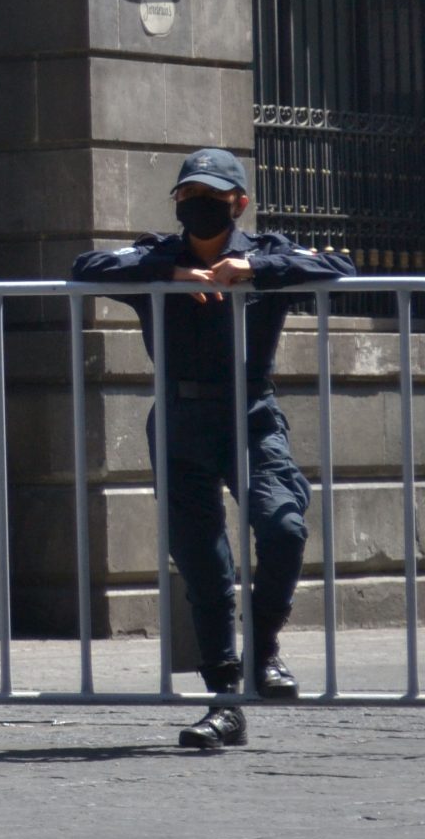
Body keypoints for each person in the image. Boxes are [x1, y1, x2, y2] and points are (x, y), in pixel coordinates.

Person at [70, 147, 354, 751]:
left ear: (239, 204)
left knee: (283, 527)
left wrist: (250, 275)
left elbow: (343, 267)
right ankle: (224, 702)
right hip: (180, 419)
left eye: (214, 199)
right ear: (177, 203)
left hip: (251, 413)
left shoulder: (266, 254)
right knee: (203, 565)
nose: (200, 207)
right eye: (190, 197)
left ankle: (266, 650)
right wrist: (176, 277)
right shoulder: (157, 257)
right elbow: (87, 265)